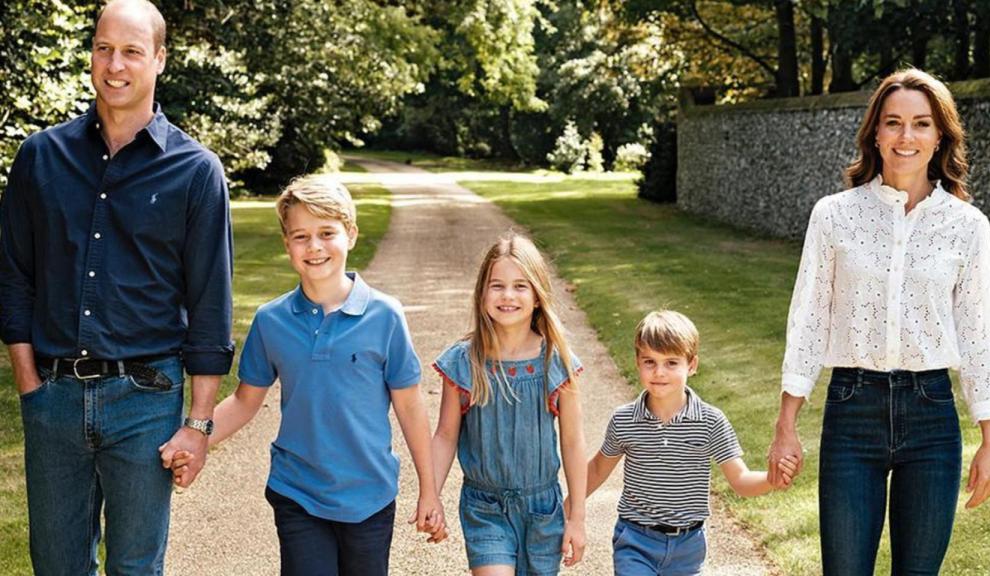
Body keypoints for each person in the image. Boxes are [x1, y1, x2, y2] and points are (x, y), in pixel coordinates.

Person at [0, 0, 233, 573]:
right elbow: (13, 275)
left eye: (131, 50)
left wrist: (198, 425)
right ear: (91, 55)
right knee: (56, 565)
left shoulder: (196, 170)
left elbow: (209, 305)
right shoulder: (40, 156)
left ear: (158, 59)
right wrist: (30, 384)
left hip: (146, 401)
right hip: (52, 398)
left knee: (134, 567)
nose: (115, 64)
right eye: (104, 48)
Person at [768, 68, 990, 575]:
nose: (906, 137)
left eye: (921, 124)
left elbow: (981, 334)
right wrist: (787, 423)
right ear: (875, 132)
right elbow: (808, 320)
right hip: (852, 409)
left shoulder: (967, 227)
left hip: (932, 416)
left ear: (939, 134)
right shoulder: (834, 215)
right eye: (893, 122)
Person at [172, 174, 444, 575]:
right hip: (297, 490)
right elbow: (246, 402)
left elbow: (409, 406)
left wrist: (429, 490)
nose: (314, 247)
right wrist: (196, 436)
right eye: (300, 236)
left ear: (350, 234)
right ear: (287, 245)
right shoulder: (272, 320)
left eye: (326, 233)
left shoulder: (386, 316)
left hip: (369, 494)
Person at [584, 310, 796, 576]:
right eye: (649, 361)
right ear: (637, 362)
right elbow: (596, 470)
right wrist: (568, 508)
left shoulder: (710, 421)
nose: (659, 372)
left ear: (692, 365)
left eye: (671, 363)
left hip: (688, 546)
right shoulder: (625, 420)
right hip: (636, 539)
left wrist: (771, 479)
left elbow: (740, 479)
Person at [430, 233, 587, 575]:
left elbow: (573, 443)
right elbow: (444, 435)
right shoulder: (464, 362)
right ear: (482, 293)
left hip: (543, 510)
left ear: (537, 296)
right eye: (497, 285)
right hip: (484, 507)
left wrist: (576, 517)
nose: (508, 295)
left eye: (520, 286)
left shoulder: (556, 362)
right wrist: (431, 493)